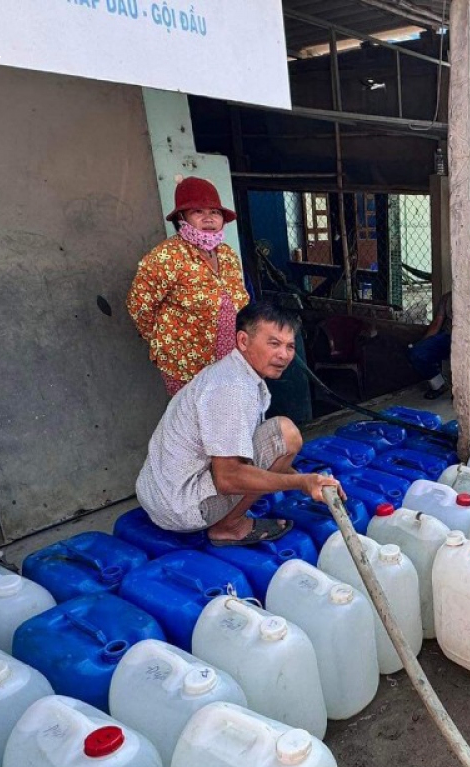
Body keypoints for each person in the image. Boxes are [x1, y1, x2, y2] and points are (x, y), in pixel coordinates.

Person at [136, 298, 341, 547]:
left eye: (289, 346)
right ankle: (228, 526)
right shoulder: (231, 389)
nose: (284, 355)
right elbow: (228, 478)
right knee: (285, 436)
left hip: (160, 494)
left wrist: (309, 481)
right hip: (181, 506)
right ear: (243, 341)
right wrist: (301, 482)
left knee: (279, 438)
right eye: (274, 343)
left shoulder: (235, 373)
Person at [127, 177, 250, 395]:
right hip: (185, 363)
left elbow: (239, 299)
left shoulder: (227, 254)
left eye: (215, 212)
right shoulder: (167, 256)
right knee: (194, 420)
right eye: (198, 212)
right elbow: (139, 306)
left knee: (228, 414)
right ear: (181, 218)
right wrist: (166, 339)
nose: (208, 218)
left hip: (228, 356)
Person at [407, 291, 455, 399]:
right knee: (417, 353)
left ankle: (462, 391)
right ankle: (439, 385)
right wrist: (422, 343)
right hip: (448, 337)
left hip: (469, 339)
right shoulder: (447, 297)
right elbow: (437, 322)